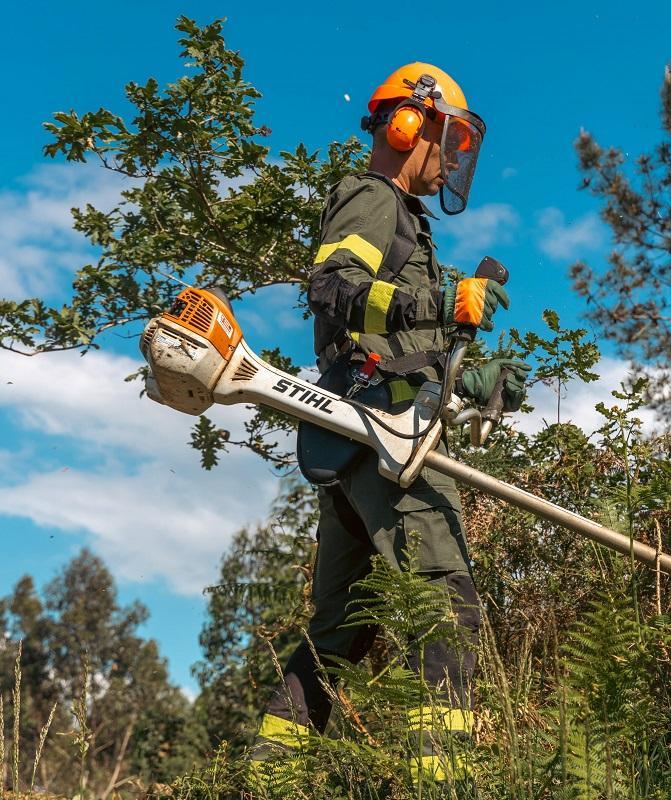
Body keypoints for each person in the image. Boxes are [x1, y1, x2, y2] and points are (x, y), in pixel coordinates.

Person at [252, 62, 530, 784]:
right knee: (444, 603)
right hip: (379, 436)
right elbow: (332, 292)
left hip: (362, 438)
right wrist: (439, 304)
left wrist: (471, 375)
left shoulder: (406, 222)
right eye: (449, 138)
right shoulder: (373, 199)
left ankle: (265, 781)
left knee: (342, 629)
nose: (454, 158)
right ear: (411, 123)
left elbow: (393, 345)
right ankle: (444, 784)